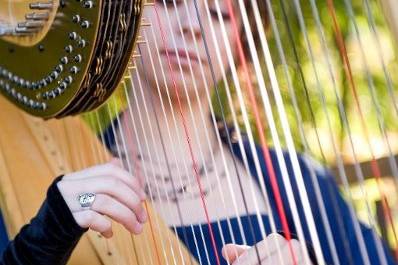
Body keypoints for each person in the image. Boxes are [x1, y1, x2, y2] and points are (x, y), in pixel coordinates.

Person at [0, 0, 396, 264]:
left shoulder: (299, 183)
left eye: (219, 13)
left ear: (240, 41)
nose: (192, 26)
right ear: (124, 19)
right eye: (171, 2)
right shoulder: (70, 195)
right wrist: (51, 233)